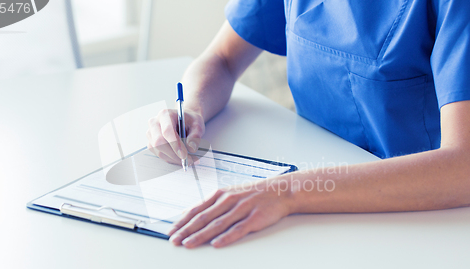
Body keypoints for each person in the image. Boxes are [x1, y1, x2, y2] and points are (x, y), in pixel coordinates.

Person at [146, 0, 470, 248]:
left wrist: (288, 192)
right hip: (314, 208)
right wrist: (191, 108)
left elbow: (463, 167)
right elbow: (222, 58)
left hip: (426, 219)